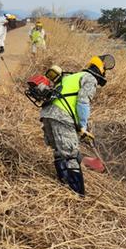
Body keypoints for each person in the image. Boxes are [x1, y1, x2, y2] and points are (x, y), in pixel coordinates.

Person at [40, 54, 113, 196]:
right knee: (72, 157)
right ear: (101, 70)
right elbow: (83, 101)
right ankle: (78, 195)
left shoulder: (73, 76)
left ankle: (63, 184)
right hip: (61, 116)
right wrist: (83, 126)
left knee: (59, 151)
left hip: (46, 114)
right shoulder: (90, 79)